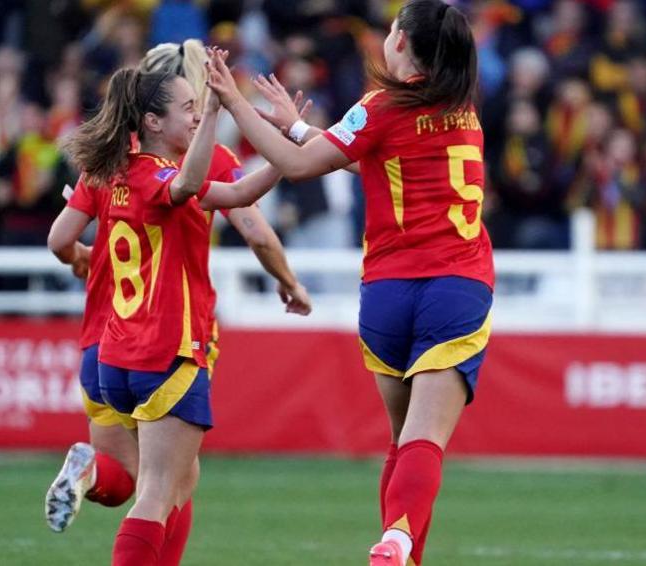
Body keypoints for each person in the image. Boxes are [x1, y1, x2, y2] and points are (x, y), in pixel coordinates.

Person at [206, 1, 493, 563]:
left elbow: (307, 162)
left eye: (391, 30)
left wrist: (237, 103)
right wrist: (290, 125)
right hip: (455, 288)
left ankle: (400, 548)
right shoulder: (461, 107)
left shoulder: (380, 107)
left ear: (404, 45)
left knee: (401, 443)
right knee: (423, 443)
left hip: (387, 294)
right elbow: (339, 153)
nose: (385, 38)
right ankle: (397, 541)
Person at [43, 39, 311, 562]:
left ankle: (90, 470)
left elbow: (58, 240)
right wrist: (278, 146)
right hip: (166, 345)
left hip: (107, 346)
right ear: (156, 118)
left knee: (128, 483)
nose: (195, 114)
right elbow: (235, 210)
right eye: (188, 106)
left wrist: (82, 258)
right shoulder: (171, 172)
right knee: (165, 490)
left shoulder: (107, 167)